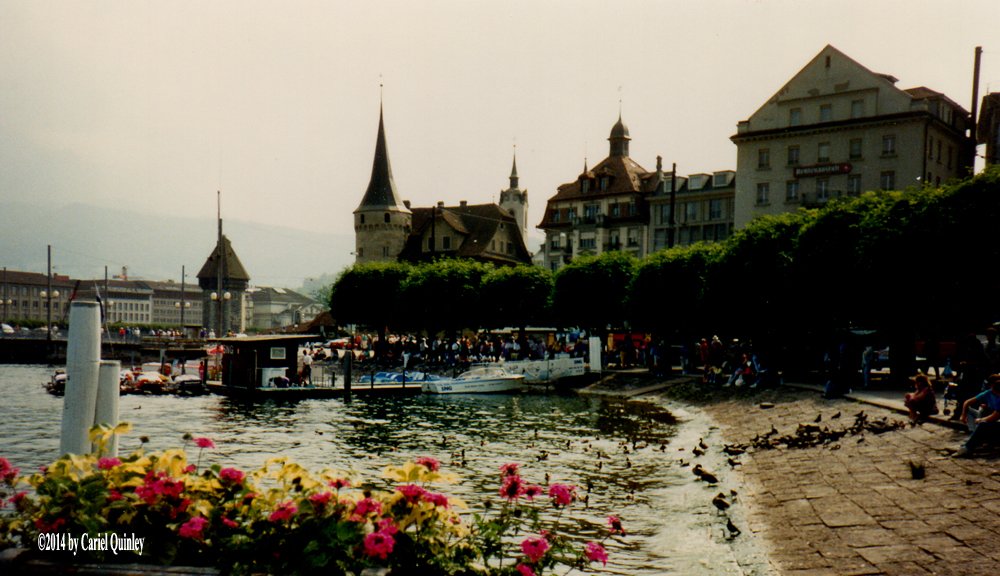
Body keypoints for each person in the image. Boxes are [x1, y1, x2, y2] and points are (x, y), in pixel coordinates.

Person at [953, 374, 1000, 457]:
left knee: (983, 423)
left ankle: (968, 447)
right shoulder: (989, 393)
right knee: (981, 413)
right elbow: (968, 402)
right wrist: (963, 415)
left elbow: (995, 416)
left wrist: (980, 420)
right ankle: (972, 439)